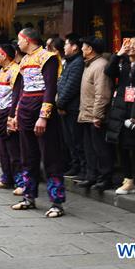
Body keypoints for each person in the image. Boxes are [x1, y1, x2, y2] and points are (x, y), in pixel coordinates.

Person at [7, 28, 66, 218]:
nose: (18, 43)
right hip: (25, 110)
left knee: (50, 156)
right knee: (27, 156)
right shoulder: (23, 60)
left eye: (19, 39)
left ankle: (56, 202)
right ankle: (28, 197)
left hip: (41, 110)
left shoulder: (47, 57)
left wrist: (44, 116)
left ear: (27, 39)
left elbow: (50, 88)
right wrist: (15, 114)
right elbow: (21, 90)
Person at [104, 36, 135, 196]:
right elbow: (109, 72)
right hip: (120, 107)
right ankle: (128, 179)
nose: (132, 47)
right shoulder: (122, 62)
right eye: (129, 44)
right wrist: (118, 54)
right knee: (122, 144)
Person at [74, 37, 113, 191]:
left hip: (95, 115)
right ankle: (92, 176)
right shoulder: (89, 64)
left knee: (100, 148)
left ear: (90, 49)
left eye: (83, 46)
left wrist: (98, 115)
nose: (81, 49)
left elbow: (102, 93)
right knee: (89, 148)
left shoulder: (100, 65)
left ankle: (105, 178)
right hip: (87, 113)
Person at [0, 43, 23, 192]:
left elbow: (18, 95)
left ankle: (20, 182)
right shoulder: (0, 72)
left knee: (13, 149)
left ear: (4, 55)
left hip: (9, 111)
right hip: (0, 111)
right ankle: (6, 178)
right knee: (2, 148)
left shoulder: (16, 70)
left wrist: (13, 115)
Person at [56, 33, 85, 180]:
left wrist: (60, 103)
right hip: (66, 107)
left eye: (66, 44)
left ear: (74, 47)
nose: (64, 47)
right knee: (69, 139)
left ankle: (80, 167)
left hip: (72, 108)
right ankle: (74, 165)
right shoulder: (70, 61)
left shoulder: (78, 63)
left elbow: (71, 86)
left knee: (76, 139)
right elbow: (61, 83)